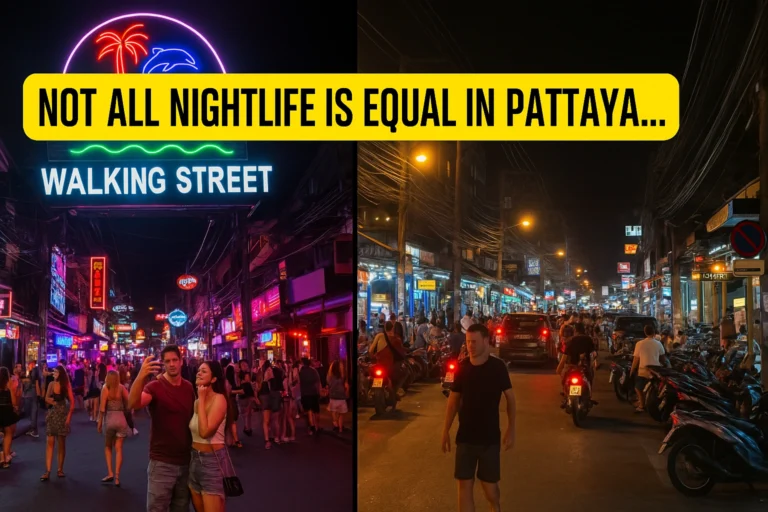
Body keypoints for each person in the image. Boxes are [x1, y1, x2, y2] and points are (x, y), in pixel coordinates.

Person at [442, 324, 516, 512]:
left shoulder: (497, 367)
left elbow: (510, 399)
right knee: (464, 486)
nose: (470, 346)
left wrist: (511, 429)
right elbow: (453, 401)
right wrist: (445, 431)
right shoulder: (462, 367)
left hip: (489, 440)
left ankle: (495, 506)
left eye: (474, 342)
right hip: (465, 438)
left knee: (490, 489)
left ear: (485, 341)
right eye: (468, 342)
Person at [127, 345, 195, 512]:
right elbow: (133, 403)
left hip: (187, 462)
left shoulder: (188, 387)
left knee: (181, 508)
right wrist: (141, 376)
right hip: (162, 463)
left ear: (181, 362)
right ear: (163, 364)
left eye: (174, 360)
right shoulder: (155, 386)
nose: (171, 364)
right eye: (167, 361)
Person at [189, 361, 230, 512]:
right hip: (194, 460)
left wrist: (201, 398)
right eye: (198, 370)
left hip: (211, 461)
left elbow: (205, 432)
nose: (199, 373)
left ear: (213, 379)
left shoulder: (219, 399)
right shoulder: (197, 401)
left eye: (204, 371)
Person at [97, 370, 131, 486]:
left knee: (107, 447)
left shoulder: (106, 388)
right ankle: (117, 477)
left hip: (110, 419)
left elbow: (102, 409)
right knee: (119, 448)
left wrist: (99, 423)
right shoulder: (121, 388)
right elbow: (129, 402)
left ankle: (110, 473)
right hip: (121, 419)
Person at [41, 365, 74, 481]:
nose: (53, 374)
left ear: (60, 373)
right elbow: (46, 398)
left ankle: (60, 469)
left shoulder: (66, 385)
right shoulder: (51, 384)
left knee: (61, 443)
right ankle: (48, 470)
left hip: (62, 415)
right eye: (53, 372)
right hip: (53, 414)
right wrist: (52, 402)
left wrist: (68, 418)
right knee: (50, 441)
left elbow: (72, 403)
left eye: (55, 372)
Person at [631, 325, 670, 413]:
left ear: (645, 332)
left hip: (643, 371)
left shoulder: (639, 343)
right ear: (654, 333)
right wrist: (668, 367)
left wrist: (632, 370)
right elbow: (663, 359)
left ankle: (641, 405)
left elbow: (636, 360)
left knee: (638, 388)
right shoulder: (658, 343)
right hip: (656, 371)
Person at [0, 367, 20, 468]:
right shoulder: (9, 386)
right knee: (8, 433)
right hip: (7, 412)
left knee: (4, 433)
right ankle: (6, 457)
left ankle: (2, 457)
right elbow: (14, 402)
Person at [298, 358, 321, 435]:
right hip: (314, 392)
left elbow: (298, 382)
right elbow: (318, 382)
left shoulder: (301, 372)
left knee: (308, 410)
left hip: (305, 393)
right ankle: (317, 426)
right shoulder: (313, 371)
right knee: (316, 410)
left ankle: (312, 425)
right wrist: (319, 391)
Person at [327, 360, 348, 433]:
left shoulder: (330, 376)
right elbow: (346, 386)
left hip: (333, 396)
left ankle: (335, 423)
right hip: (341, 396)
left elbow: (328, 384)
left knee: (334, 411)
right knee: (341, 413)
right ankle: (340, 428)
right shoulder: (342, 376)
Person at [23, 360, 41, 438]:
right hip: (34, 393)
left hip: (31, 392)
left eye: (29, 364)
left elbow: (33, 382)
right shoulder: (36, 370)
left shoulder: (33, 371)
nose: (28, 365)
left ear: (32, 364)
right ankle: (33, 428)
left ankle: (34, 429)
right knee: (33, 410)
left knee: (32, 410)